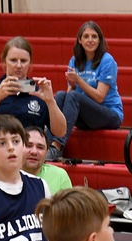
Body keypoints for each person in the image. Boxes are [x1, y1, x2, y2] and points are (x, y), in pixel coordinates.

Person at [0, 36, 67, 172]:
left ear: (30, 65)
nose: (18, 65)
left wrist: (50, 101)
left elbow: (60, 131)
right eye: (13, 60)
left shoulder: (38, 94)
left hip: (29, 168)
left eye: (23, 61)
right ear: (4, 63)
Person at [48, 21, 123, 161]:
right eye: (86, 36)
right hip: (86, 115)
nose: (90, 40)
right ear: (80, 40)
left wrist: (79, 81)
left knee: (74, 96)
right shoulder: (74, 60)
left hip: (109, 114)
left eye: (94, 36)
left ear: (100, 40)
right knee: (60, 96)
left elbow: (100, 97)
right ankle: (48, 145)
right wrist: (71, 84)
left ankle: (57, 146)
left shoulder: (107, 60)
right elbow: (69, 95)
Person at [22, 125, 72, 193]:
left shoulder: (59, 175)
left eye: (40, 147)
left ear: (46, 153)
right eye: (28, 145)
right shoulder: (5, 174)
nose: (34, 152)